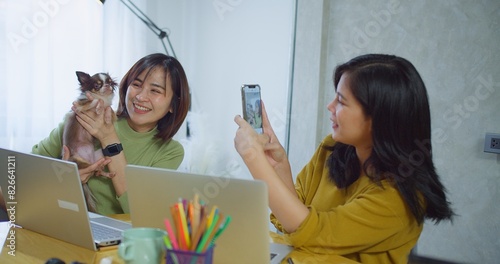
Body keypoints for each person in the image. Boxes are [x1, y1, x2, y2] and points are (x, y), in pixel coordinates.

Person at [233, 54, 454, 263]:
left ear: (378, 118)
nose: (330, 107)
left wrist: (255, 160)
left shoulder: (399, 198)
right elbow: (293, 224)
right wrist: (278, 167)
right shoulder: (332, 149)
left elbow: (313, 233)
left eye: (341, 101)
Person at [32, 53, 190, 215]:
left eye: (155, 90)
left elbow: (142, 212)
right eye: (136, 84)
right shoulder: (84, 121)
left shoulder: (170, 152)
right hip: (69, 225)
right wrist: (63, 180)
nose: (141, 97)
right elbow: (20, 174)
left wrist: (108, 138)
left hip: (122, 238)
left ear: (173, 104)